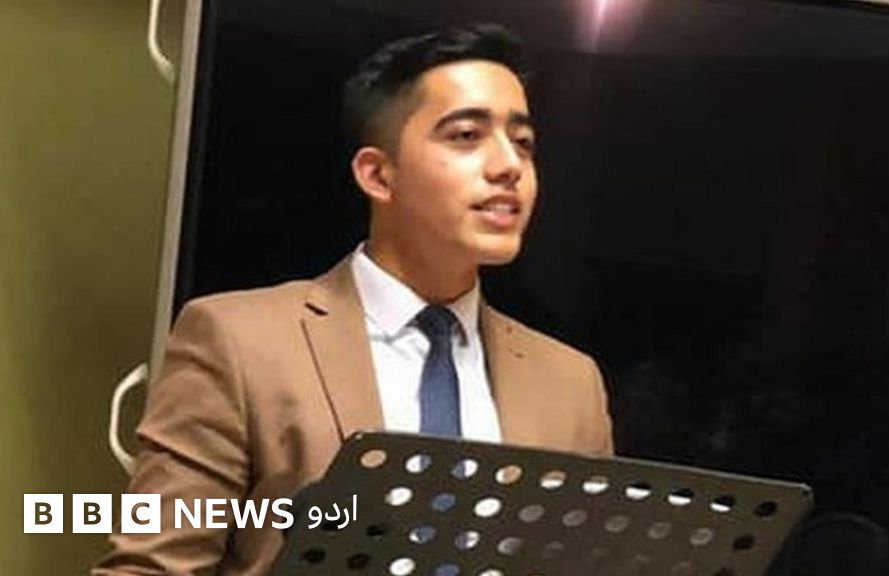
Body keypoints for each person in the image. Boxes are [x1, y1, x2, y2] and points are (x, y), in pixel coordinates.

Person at [94, 23, 613, 575]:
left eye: (524, 143)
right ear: (378, 175)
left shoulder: (570, 384)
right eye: (466, 135)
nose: (509, 165)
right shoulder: (240, 343)